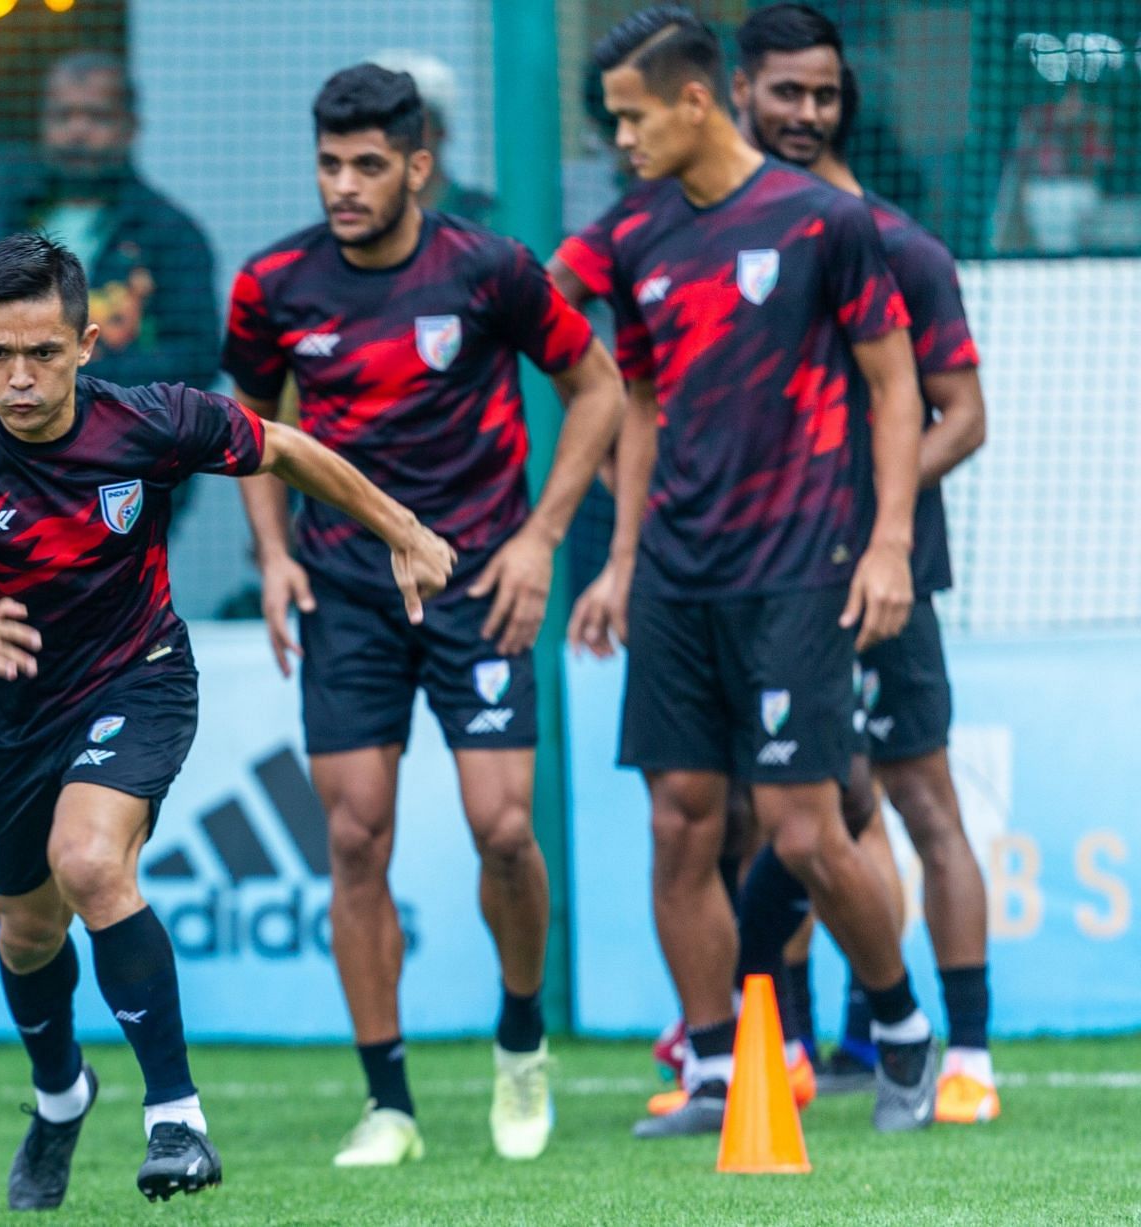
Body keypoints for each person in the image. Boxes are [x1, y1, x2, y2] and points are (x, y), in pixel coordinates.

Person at [0, 232, 454, 1207]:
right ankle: (59, 1099)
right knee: (26, 934)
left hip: (137, 678)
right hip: (4, 711)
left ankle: (176, 1117)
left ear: (88, 343)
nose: (19, 378)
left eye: (43, 354)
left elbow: (286, 448)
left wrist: (405, 531)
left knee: (91, 861)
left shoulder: (150, 421)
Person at [223, 64, 626, 1166]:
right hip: (346, 591)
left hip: (478, 584)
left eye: (365, 165)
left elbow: (599, 389)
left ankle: (520, 1042)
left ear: (417, 165)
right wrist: (270, 558)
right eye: (327, 165)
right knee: (354, 838)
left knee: (504, 828)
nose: (343, 185)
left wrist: (542, 538)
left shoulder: (490, 270)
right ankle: (388, 1103)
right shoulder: (272, 286)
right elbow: (250, 430)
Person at [567, 6, 937, 1137]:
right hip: (678, 575)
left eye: (631, 118)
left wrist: (887, 546)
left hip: (801, 566)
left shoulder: (827, 223)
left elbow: (897, 390)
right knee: (680, 822)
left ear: (692, 101)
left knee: (802, 829)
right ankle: (722, 1068)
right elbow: (636, 404)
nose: (620, 140)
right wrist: (620, 562)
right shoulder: (632, 238)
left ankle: (906, 1040)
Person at [724, 4, 995, 1124]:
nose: (806, 113)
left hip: (883, 581)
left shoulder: (900, 243)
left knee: (921, 801)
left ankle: (968, 1053)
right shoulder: (711, 242)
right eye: (786, 92)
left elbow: (963, 416)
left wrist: (868, 513)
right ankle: (790, 1039)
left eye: (825, 94)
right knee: (781, 814)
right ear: (738, 92)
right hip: (755, 584)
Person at [3, 52, 218, 393]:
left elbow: (198, 358)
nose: (77, 131)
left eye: (97, 117)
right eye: (62, 116)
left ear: (129, 128)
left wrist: (82, 376)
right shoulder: (17, 221)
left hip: (137, 436)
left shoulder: (169, 233)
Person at [368, 50, 501, 228]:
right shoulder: (347, 227)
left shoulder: (488, 220)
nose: (397, 135)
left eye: (412, 122)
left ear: (441, 131)